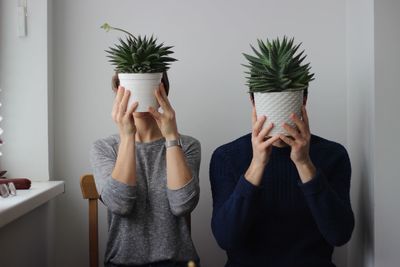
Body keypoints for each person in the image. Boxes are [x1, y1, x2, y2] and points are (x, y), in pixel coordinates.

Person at [209, 90, 355, 267]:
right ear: (253, 102)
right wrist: (257, 164)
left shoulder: (333, 155)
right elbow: (226, 238)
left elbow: (339, 235)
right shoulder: (227, 156)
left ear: (304, 100)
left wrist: (304, 163)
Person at [90, 73, 201, 267]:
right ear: (119, 91)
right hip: (122, 263)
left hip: (178, 262)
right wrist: (127, 137)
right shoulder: (104, 148)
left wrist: (171, 137)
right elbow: (120, 204)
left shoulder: (188, 145)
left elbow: (182, 205)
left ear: (162, 90)